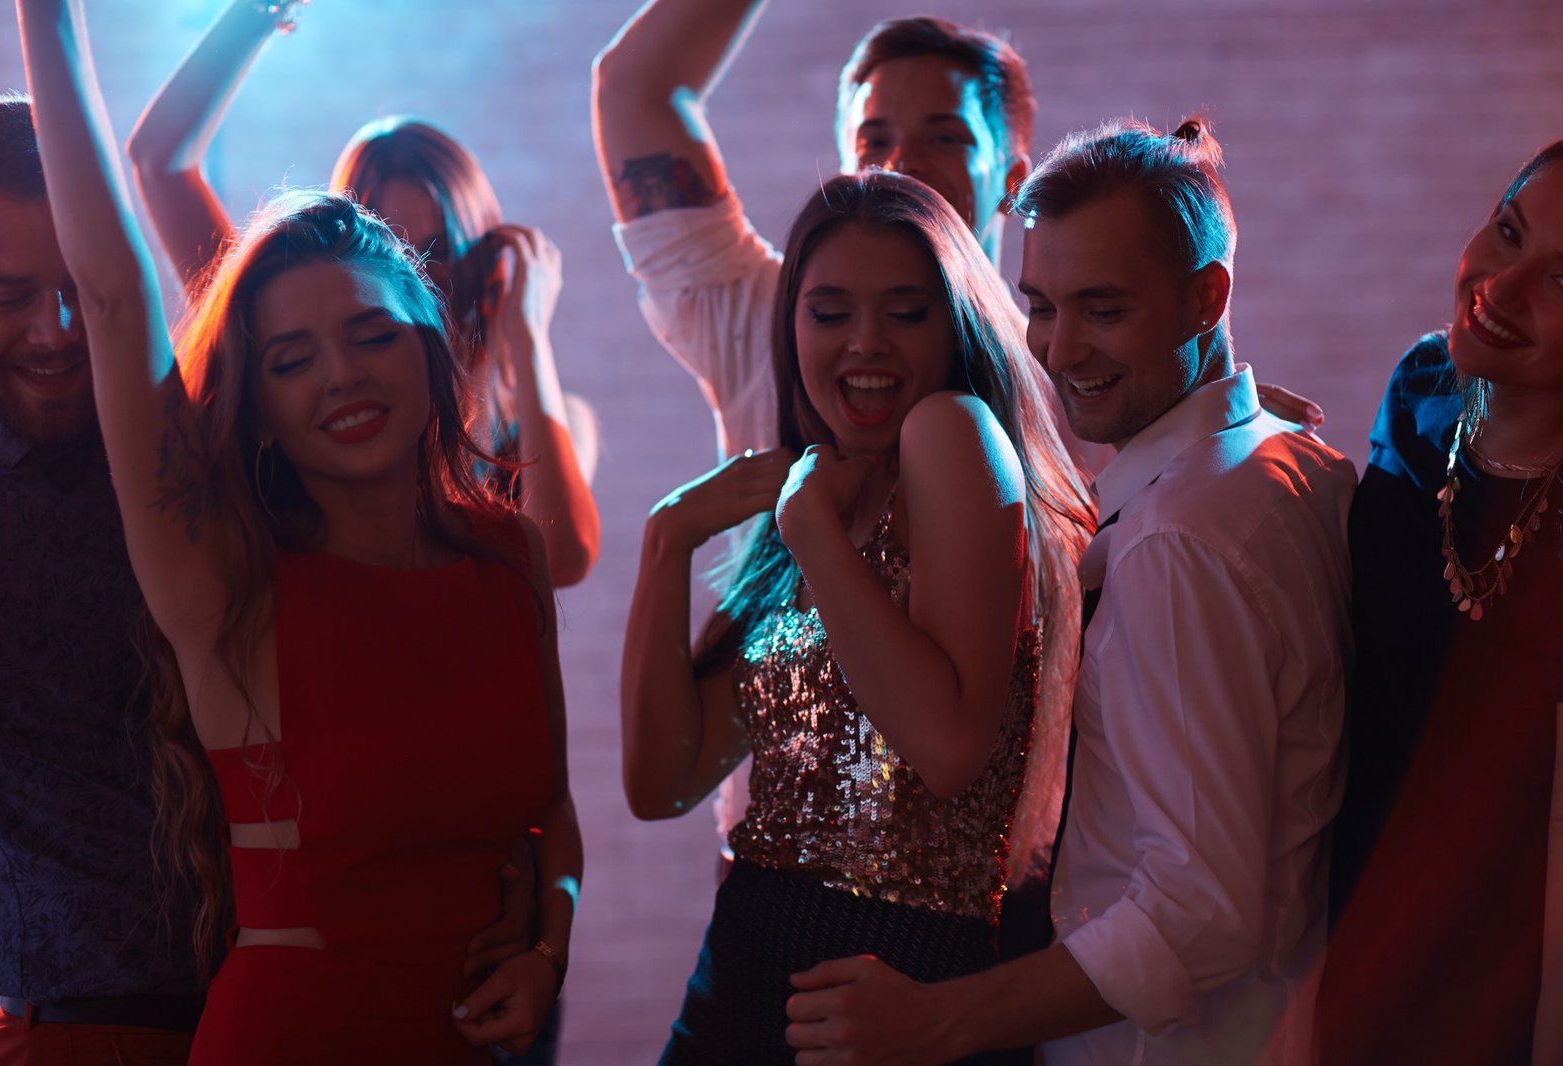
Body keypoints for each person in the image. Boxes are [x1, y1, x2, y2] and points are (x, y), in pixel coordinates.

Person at [593, 2, 1325, 929]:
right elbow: (634, 88)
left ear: (1012, 176)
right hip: (759, 901)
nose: (901, 163)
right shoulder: (769, 321)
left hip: (958, 925)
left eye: (943, 136)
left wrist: (1231, 413)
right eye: (874, 138)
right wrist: (669, 536)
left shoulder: (1067, 379)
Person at [14, 1, 581, 1062]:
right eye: (292, 359)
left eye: (371, 334)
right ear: (259, 404)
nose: (341, 376)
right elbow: (112, 295)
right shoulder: (225, 576)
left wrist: (549, 941)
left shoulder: (508, 552)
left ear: (429, 353)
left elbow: (549, 809)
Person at [784, 119, 1355, 1064]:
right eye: (1041, 307)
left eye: (1103, 308)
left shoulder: (1177, 541)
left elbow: (1197, 912)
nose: (1060, 349)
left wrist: (937, 1020)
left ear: (1208, 296)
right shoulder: (1288, 461)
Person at [621, 168, 1095, 1064]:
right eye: (829, 313)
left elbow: (948, 748)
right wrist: (666, 538)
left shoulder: (950, 431)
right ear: (791, 325)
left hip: (892, 992)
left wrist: (811, 534)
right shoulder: (824, 492)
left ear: (954, 325)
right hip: (739, 974)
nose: (865, 344)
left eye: (905, 313)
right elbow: (662, 783)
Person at [128, 0, 600, 589]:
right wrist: (260, 12)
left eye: (436, 251)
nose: (417, 283)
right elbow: (160, 162)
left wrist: (527, 341)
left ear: (485, 259)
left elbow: (561, 556)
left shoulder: (532, 418)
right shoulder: (277, 324)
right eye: (394, 253)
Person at [0, 91, 202, 1066]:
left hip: (294, 996)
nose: (57, 330)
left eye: (78, 289)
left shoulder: (184, 432)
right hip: (81, 1025)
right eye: (7, 296)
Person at [1319, 139, 1563, 1065]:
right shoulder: (1421, 389)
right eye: (1509, 230)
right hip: (1346, 910)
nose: (1500, 286)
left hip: (1505, 982)